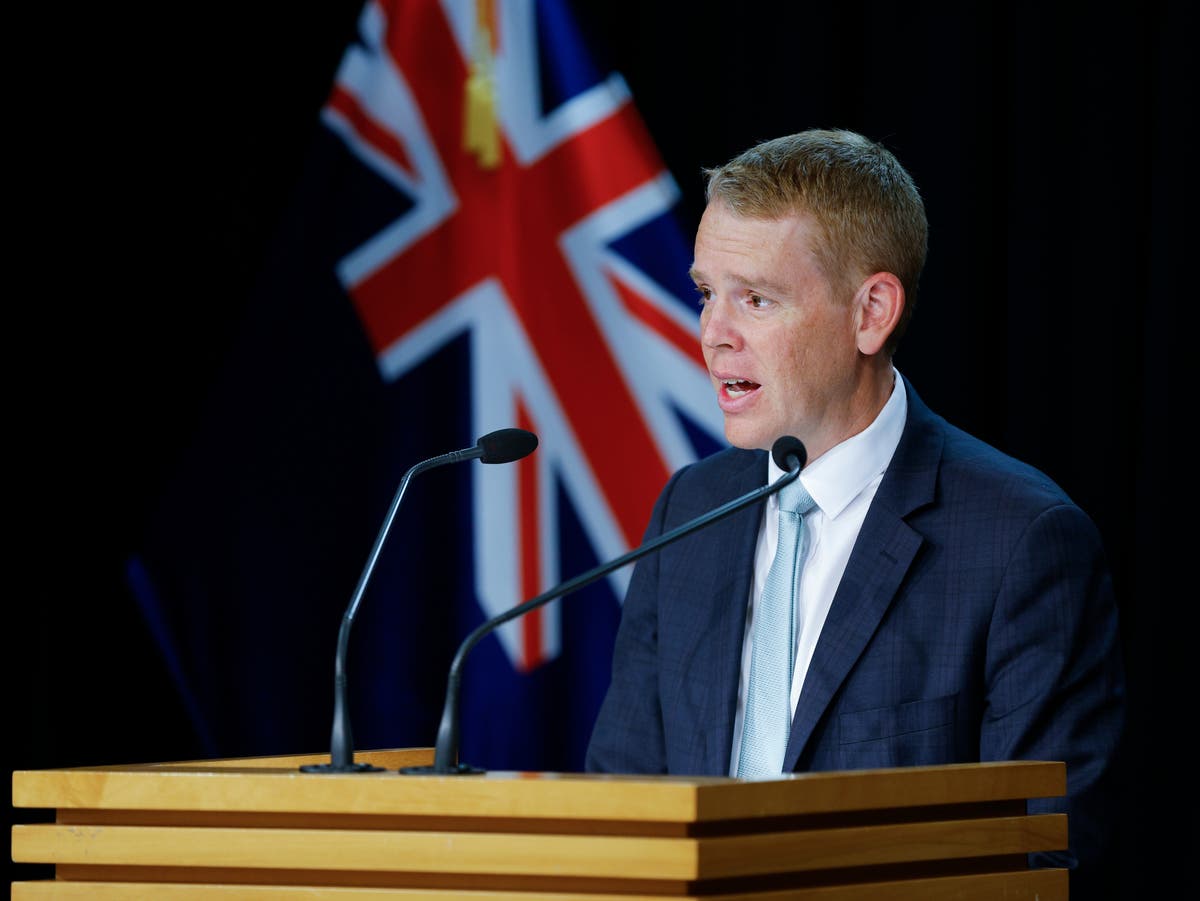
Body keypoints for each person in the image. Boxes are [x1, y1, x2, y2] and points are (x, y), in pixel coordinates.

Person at [585, 129, 1124, 894]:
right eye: (708, 293)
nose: (712, 335)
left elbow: (1038, 861)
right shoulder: (690, 511)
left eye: (757, 298)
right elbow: (620, 805)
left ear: (871, 312)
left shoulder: (1022, 541)